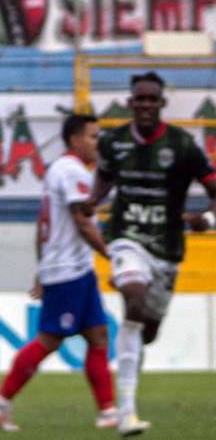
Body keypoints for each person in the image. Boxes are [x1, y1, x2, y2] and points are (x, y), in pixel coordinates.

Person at [86, 72, 216, 436]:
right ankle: (125, 412)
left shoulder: (183, 146)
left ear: (161, 104)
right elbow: (106, 177)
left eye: (151, 99)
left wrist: (205, 218)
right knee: (133, 298)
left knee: (147, 328)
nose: (144, 105)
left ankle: (132, 361)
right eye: (138, 99)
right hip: (126, 237)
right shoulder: (114, 142)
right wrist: (93, 202)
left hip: (167, 248)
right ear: (130, 103)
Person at [0, 114, 115, 433]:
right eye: (94, 137)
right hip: (69, 270)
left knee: (98, 335)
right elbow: (82, 222)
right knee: (50, 339)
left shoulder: (60, 170)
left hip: (75, 269)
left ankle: (109, 411)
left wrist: (41, 270)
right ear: (75, 140)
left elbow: (43, 226)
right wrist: (113, 256)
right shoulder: (72, 171)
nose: (99, 143)